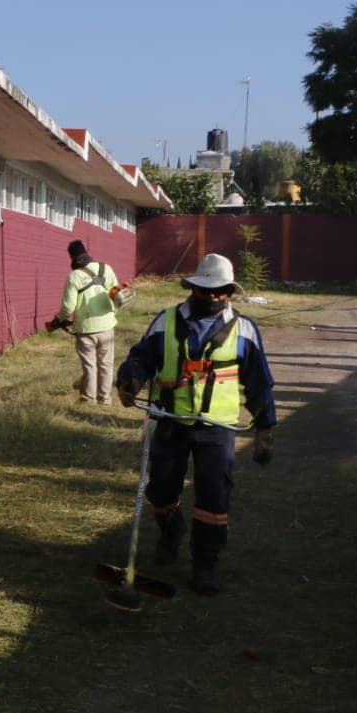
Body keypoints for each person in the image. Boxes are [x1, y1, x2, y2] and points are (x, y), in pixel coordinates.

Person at [114, 253, 275, 605]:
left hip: (216, 429)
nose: (214, 298)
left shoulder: (244, 329)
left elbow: (259, 384)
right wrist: (130, 379)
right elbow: (141, 357)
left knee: (213, 500)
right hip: (171, 421)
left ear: (229, 292)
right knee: (160, 491)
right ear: (195, 288)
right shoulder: (166, 321)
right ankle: (171, 530)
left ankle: (205, 564)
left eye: (222, 292)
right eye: (208, 290)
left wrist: (264, 430)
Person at [51, 239, 121, 404]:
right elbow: (118, 296)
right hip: (107, 327)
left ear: (72, 257)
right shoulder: (106, 269)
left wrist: (58, 320)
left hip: (85, 329)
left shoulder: (74, 276)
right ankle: (105, 399)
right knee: (106, 365)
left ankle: (89, 399)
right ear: (86, 252)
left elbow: (68, 308)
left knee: (90, 366)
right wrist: (112, 314)